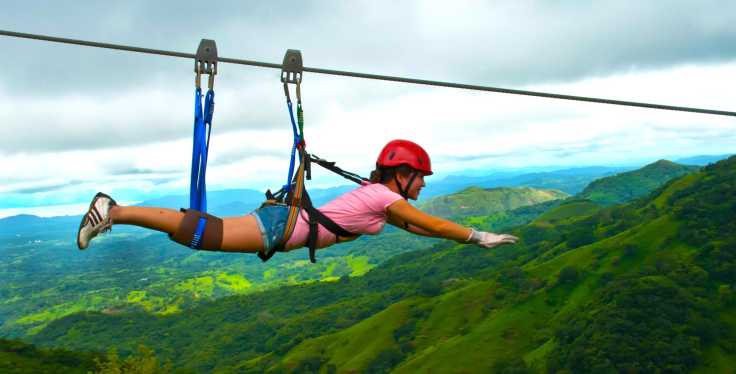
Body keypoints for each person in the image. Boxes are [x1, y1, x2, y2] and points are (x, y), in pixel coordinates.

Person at [77, 139, 519, 255]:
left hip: (282, 227)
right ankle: (113, 210)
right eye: (419, 178)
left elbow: (423, 230)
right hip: (281, 227)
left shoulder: (379, 201)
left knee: (205, 233)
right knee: (206, 233)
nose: (422, 186)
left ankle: (116, 212)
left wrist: (464, 240)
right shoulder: (384, 197)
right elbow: (433, 223)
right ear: (401, 175)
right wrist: (477, 236)